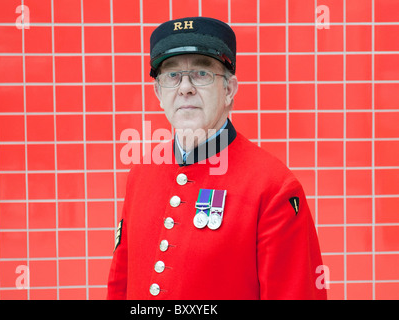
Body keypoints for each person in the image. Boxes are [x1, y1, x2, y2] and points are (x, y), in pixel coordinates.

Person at [107, 16, 327, 300]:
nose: (185, 87)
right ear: (159, 93)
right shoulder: (141, 173)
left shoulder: (273, 188)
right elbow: (120, 282)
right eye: (172, 75)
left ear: (229, 90)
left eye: (202, 73)